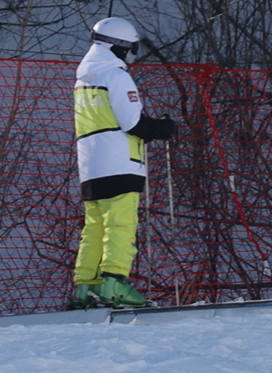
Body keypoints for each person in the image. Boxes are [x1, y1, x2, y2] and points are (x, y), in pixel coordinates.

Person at [70, 17, 175, 310]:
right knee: (121, 225)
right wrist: (163, 128)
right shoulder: (116, 76)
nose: (132, 55)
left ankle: (86, 286)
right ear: (120, 47)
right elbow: (133, 123)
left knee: (94, 227)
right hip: (120, 161)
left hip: (91, 164)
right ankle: (114, 284)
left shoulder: (84, 79)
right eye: (132, 48)